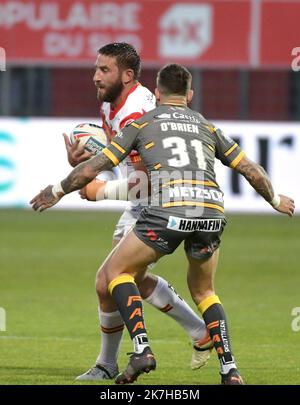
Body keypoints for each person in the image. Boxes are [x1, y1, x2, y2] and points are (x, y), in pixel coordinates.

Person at [30, 63, 295, 385]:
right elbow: (252, 170)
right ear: (190, 94)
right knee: (205, 291)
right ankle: (231, 371)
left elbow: (94, 170)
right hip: (211, 212)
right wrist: (275, 200)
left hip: (167, 209)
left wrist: (57, 190)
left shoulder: (142, 121)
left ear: (157, 93)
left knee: (117, 273)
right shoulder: (206, 126)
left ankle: (142, 350)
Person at [62, 43, 212, 380]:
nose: (95, 77)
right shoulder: (113, 105)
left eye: (104, 70)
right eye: (96, 68)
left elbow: (146, 180)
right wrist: (89, 165)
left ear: (127, 75)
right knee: (127, 279)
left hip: (159, 203)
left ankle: (110, 363)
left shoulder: (137, 112)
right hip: (146, 201)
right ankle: (200, 332)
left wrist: (99, 190)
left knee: (110, 279)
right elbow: (124, 165)